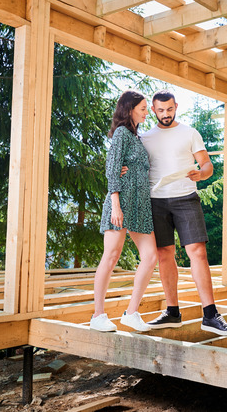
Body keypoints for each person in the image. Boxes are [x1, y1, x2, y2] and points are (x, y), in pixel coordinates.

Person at [139, 90, 227, 336]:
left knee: (198, 252)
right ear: (153, 110)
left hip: (186, 198)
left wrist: (201, 174)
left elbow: (207, 165)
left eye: (169, 109)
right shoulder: (145, 137)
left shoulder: (190, 133)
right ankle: (172, 312)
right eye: (160, 110)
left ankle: (210, 314)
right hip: (156, 201)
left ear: (176, 107)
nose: (165, 115)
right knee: (164, 254)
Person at [90, 90, 157, 333]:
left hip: (140, 205)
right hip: (121, 203)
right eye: (142, 108)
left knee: (150, 257)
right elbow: (112, 168)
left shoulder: (136, 137)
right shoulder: (121, 133)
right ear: (129, 109)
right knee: (111, 256)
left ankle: (131, 313)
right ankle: (98, 315)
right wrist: (116, 204)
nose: (146, 112)